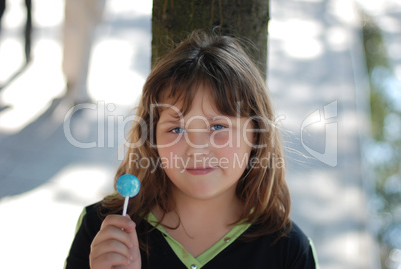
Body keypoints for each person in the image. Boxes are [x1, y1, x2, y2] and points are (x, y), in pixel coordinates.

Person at [64, 30, 319, 269]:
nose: (197, 150)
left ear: (256, 134)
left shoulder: (290, 251)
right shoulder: (102, 231)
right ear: (152, 139)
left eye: (218, 126)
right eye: (177, 129)